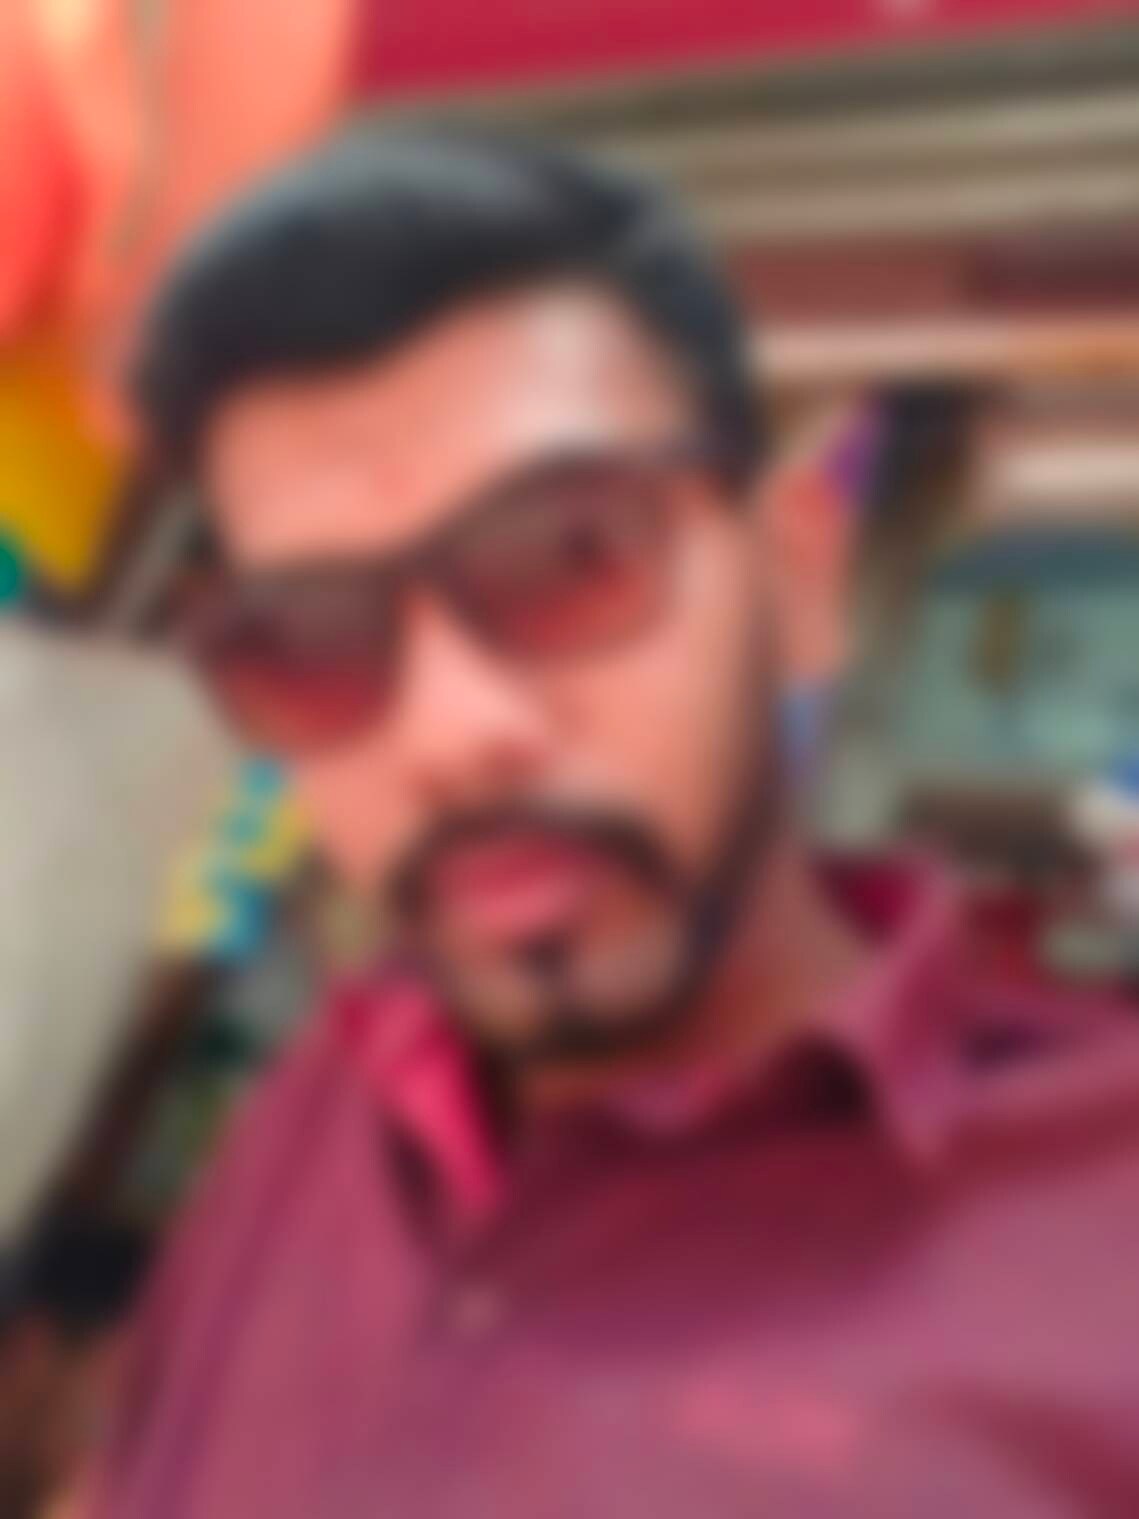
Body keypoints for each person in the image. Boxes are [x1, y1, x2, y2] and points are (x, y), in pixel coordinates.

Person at [89, 130, 1139, 1518]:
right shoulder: (323, 1102)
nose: (453, 734)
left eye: (572, 554)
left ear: (795, 578)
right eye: (307, 638)